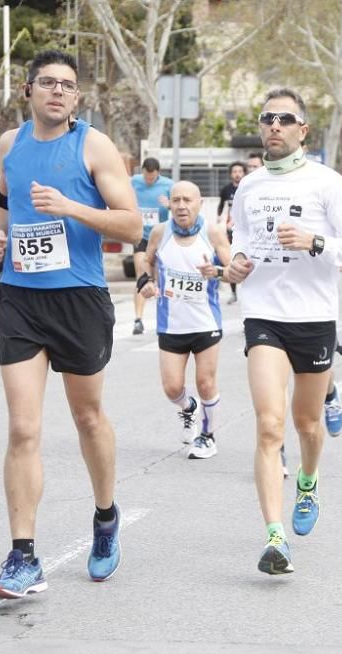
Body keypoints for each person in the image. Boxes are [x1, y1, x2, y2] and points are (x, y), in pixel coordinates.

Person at [0, 49, 141, 598]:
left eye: (67, 85)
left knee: (88, 417)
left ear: (77, 98)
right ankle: (22, 555)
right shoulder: (10, 145)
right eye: (47, 82)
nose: (57, 91)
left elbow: (133, 225)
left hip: (79, 298)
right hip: (21, 298)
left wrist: (72, 207)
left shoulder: (92, 146)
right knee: (23, 428)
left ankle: (104, 517)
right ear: (28, 90)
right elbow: (1, 204)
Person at [226, 87, 342, 575]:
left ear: (302, 130)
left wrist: (315, 241)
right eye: (268, 118)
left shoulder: (326, 183)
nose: (274, 126)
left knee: (307, 424)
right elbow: (241, 244)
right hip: (263, 314)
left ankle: (308, 482)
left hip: (313, 317)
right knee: (270, 425)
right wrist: (236, 265)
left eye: (285, 119)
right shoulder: (248, 187)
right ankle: (274, 537)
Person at [139, 181, 232, 458]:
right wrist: (145, 281)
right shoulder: (160, 232)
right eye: (176, 200)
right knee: (172, 388)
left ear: (199, 203)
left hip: (205, 323)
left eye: (187, 200)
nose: (181, 206)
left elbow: (232, 271)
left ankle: (207, 436)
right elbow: (147, 260)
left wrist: (214, 271)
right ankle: (188, 407)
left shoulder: (213, 232)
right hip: (172, 324)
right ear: (169, 203)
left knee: (206, 383)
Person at [131, 158, 173, 334]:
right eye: (147, 178)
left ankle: (168, 315)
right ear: (142, 172)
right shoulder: (133, 182)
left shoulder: (168, 185)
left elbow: (183, 205)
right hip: (141, 236)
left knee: (162, 278)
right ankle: (138, 320)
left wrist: (169, 204)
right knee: (142, 276)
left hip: (160, 237)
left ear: (158, 173)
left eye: (152, 178)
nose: (149, 181)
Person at [217, 161, 246, 304]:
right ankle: (234, 293)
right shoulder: (226, 190)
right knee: (231, 260)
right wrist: (219, 219)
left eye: (240, 171)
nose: (237, 174)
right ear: (230, 174)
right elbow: (221, 205)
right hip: (230, 230)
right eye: (235, 171)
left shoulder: (249, 188)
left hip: (247, 231)